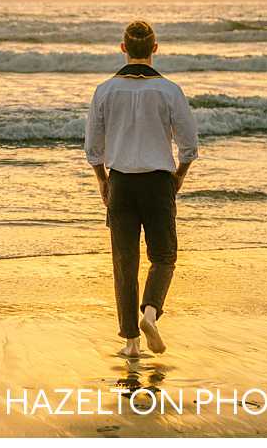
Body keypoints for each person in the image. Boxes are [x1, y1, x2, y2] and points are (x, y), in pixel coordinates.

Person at [84, 20, 198, 358]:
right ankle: (150, 313)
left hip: (120, 180)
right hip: (159, 181)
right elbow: (189, 144)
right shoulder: (169, 90)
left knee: (125, 262)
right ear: (155, 49)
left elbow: (93, 146)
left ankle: (131, 343)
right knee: (163, 257)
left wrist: (103, 181)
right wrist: (180, 175)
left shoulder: (105, 90)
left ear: (123, 48)